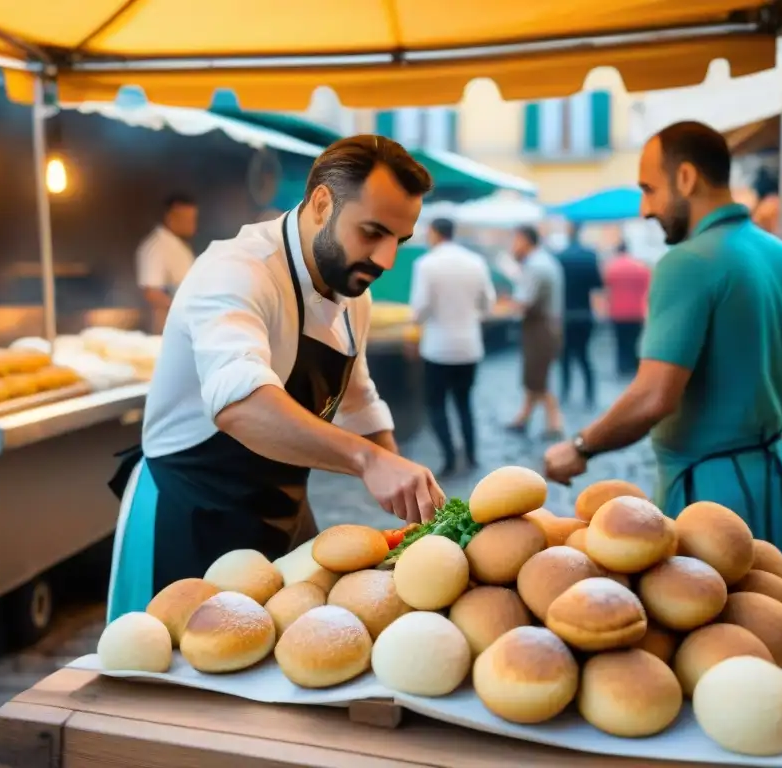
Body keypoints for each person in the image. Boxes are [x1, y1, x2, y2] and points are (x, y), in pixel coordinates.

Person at [107, 136, 445, 623]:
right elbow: (240, 406)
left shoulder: (354, 297)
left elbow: (357, 399)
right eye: (372, 232)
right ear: (323, 203)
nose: (386, 259)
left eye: (399, 240)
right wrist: (367, 461)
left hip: (282, 510)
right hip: (191, 512)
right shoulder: (236, 270)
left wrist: (408, 489)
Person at [543, 121, 782, 570]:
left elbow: (654, 395)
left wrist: (579, 446)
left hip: (708, 501)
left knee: (713, 634)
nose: (644, 207)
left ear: (687, 178)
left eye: (649, 188)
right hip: (774, 481)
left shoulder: (686, 262)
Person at [409, 218, 496, 477]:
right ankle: (471, 456)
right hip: (469, 346)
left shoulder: (426, 264)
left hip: (438, 347)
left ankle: (449, 458)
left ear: (434, 233)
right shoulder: (476, 262)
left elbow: (418, 310)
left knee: (436, 405)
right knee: (464, 402)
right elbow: (487, 303)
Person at [507, 225, 566, 438]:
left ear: (524, 240)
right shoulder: (543, 261)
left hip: (540, 328)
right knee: (534, 377)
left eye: (514, 241)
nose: (512, 246)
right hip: (545, 326)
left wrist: (504, 306)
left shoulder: (536, 265)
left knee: (537, 379)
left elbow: (524, 302)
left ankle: (555, 423)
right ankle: (523, 418)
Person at [556, 223, 603, 409]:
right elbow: (598, 285)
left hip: (565, 314)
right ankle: (589, 395)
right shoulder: (589, 257)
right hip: (584, 314)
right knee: (584, 356)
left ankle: (565, 393)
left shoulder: (559, 257)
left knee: (565, 357)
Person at [136, 193, 199, 333]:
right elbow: (152, 293)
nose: (192, 225)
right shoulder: (156, 247)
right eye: (187, 219)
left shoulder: (179, 246)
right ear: (170, 217)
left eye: (193, 219)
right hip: (166, 332)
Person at [603, 241, 651, 376]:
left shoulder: (611, 267)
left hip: (618, 312)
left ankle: (622, 367)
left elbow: (606, 289)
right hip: (637, 312)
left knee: (620, 341)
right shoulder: (641, 267)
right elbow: (648, 288)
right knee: (634, 341)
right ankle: (633, 366)